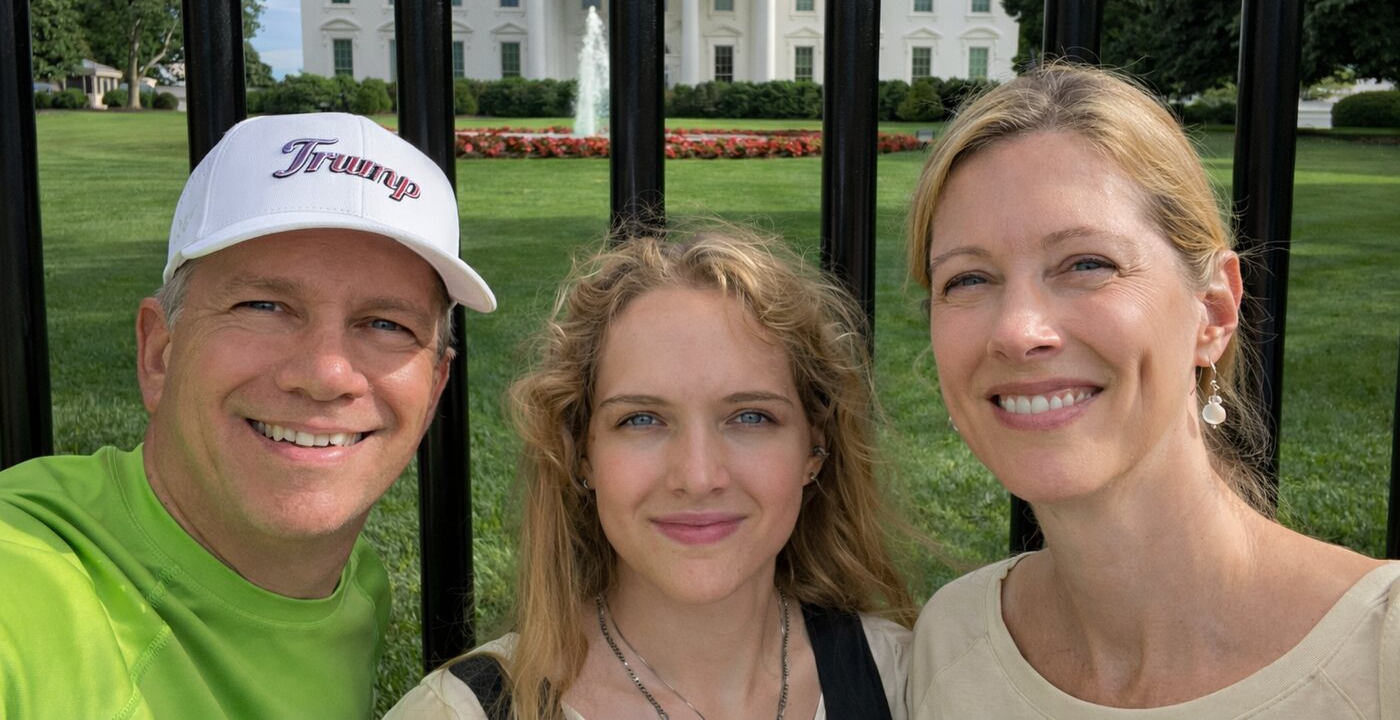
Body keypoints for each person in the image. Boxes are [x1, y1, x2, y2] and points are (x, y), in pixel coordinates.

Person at [904, 63, 1399, 718]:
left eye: (1086, 264)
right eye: (967, 279)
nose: (1019, 331)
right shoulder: (950, 648)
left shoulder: (1380, 654)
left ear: (1215, 312)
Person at [0, 112, 496, 718]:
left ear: (435, 388)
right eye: (264, 305)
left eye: (387, 324)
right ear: (159, 352)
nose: (325, 374)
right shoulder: (26, 583)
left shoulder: (353, 584)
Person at [388, 228, 914, 719]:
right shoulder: (461, 710)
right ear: (581, 451)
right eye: (641, 419)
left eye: (751, 416)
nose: (699, 475)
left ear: (814, 448)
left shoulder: (910, 683)